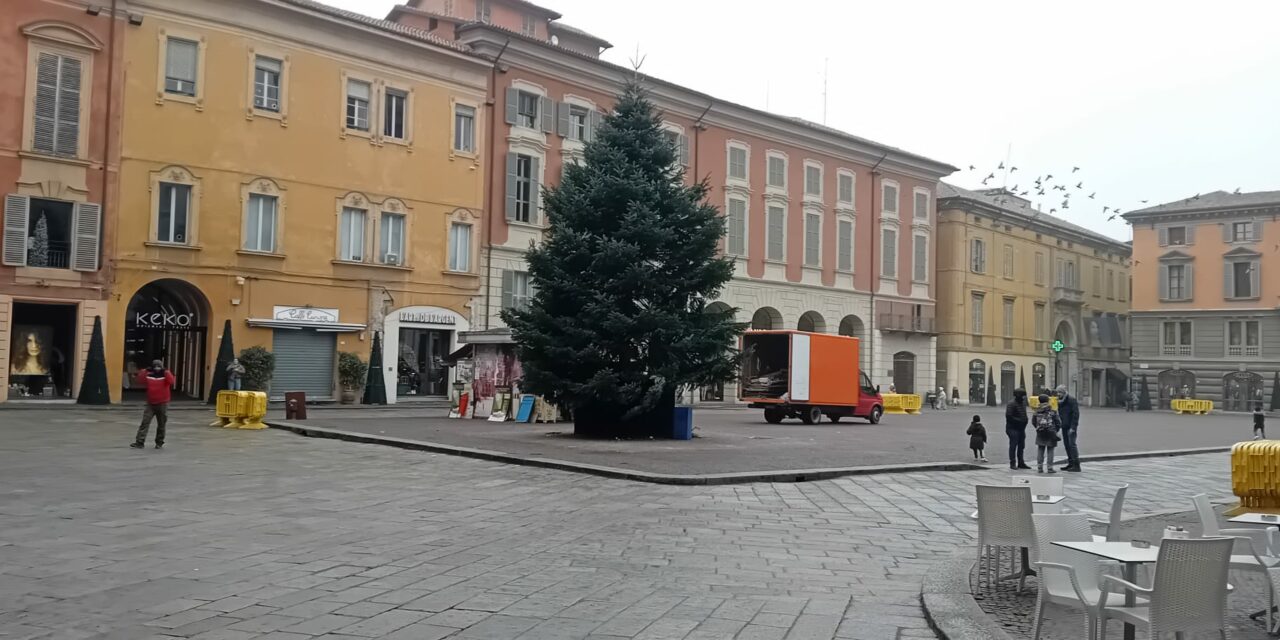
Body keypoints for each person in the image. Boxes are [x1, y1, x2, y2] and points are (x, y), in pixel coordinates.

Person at [132, 360, 175, 450]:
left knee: (161, 424)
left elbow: (171, 381)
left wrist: (166, 372)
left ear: (161, 367)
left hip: (162, 403)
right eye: (155, 366)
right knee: (145, 422)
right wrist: (145, 371)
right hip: (150, 404)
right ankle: (139, 442)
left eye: (159, 366)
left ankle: (159, 442)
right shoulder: (149, 374)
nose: (157, 368)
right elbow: (139, 380)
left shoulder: (165, 374)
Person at [1033, 394, 1062, 473]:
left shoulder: (1036, 411)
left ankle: (1039, 467)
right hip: (1051, 432)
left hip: (1040, 432)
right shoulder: (1052, 411)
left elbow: (1033, 422)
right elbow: (1058, 422)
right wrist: (1055, 430)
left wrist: (1039, 428)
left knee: (1040, 449)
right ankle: (1050, 467)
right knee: (1050, 450)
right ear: (1048, 401)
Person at [1056, 385, 1081, 472]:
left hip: (1071, 427)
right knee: (1067, 445)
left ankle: (1076, 465)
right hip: (1064, 426)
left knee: (1072, 445)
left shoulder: (1071, 400)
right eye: (1057, 392)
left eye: (1060, 392)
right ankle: (1070, 463)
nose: (1058, 394)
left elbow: (1076, 414)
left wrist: (1073, 427)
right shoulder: (1059, 401)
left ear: (1064, 392)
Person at [1004, 388, 1031, 470]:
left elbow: (1024, 413)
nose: (1024, 397)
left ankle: (1021, 462)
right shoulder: (1011, 404)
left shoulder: (1023, 403)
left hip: (1021, 428)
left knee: (1021, 446)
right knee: (1013, 445)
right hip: (1013, 428)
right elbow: (1009, 416)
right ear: (1018, 395)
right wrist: (1020, 421)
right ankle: (1012, 463)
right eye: (1022, 396)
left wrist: (1025, 421)